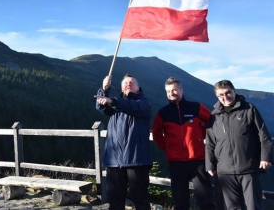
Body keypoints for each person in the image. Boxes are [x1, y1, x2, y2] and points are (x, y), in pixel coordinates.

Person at [206, 80, 273, 210]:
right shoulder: (214, 116)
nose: (225, 97)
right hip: (224, 171)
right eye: (221, 95)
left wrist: (265, 157)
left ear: (234, 91)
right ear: (217, 96)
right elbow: (210, 143)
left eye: (228, 93)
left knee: (253, 206)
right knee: (231, 208)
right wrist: (210, 165)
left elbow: (263, 135)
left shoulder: (249, 109)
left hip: (249, 167)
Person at [151, 77, 215, 210]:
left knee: (205, 198)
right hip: (176, 162)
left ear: (181, 90)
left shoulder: (195, 107)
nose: (171, 93)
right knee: (180, 199)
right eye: (168, 91)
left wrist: (201, 135)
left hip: (198, 160)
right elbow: (156, 133)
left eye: (174, 90)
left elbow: (212, 121)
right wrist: (167, 147)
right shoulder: (163, 113)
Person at [94, 73, 153, 210]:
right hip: (114, 160)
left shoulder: (144, 103)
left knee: (141, 199)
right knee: (115, 200)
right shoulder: (114, 108)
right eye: (126, 82)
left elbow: (132, 107)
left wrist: (112, 101)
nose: (129, 84)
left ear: (138, 88)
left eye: (132, 82)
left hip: (137, 160)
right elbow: (100, 107)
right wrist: (104, 89)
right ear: (121, 88)